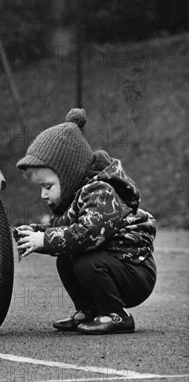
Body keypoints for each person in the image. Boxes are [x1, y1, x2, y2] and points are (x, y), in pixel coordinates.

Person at [15, 108, 156, 334]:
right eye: (40, 188)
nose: (43, 195)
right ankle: (88, 311)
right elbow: (62, 232)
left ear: (69, 176)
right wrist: (35, 233)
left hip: (135, 271)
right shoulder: (75, 199)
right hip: (114, 265)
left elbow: (87, 234)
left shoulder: (99, 191)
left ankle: (117, 316)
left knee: (86, 263)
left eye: (48, 186)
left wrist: (45, 239)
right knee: (66, 259)